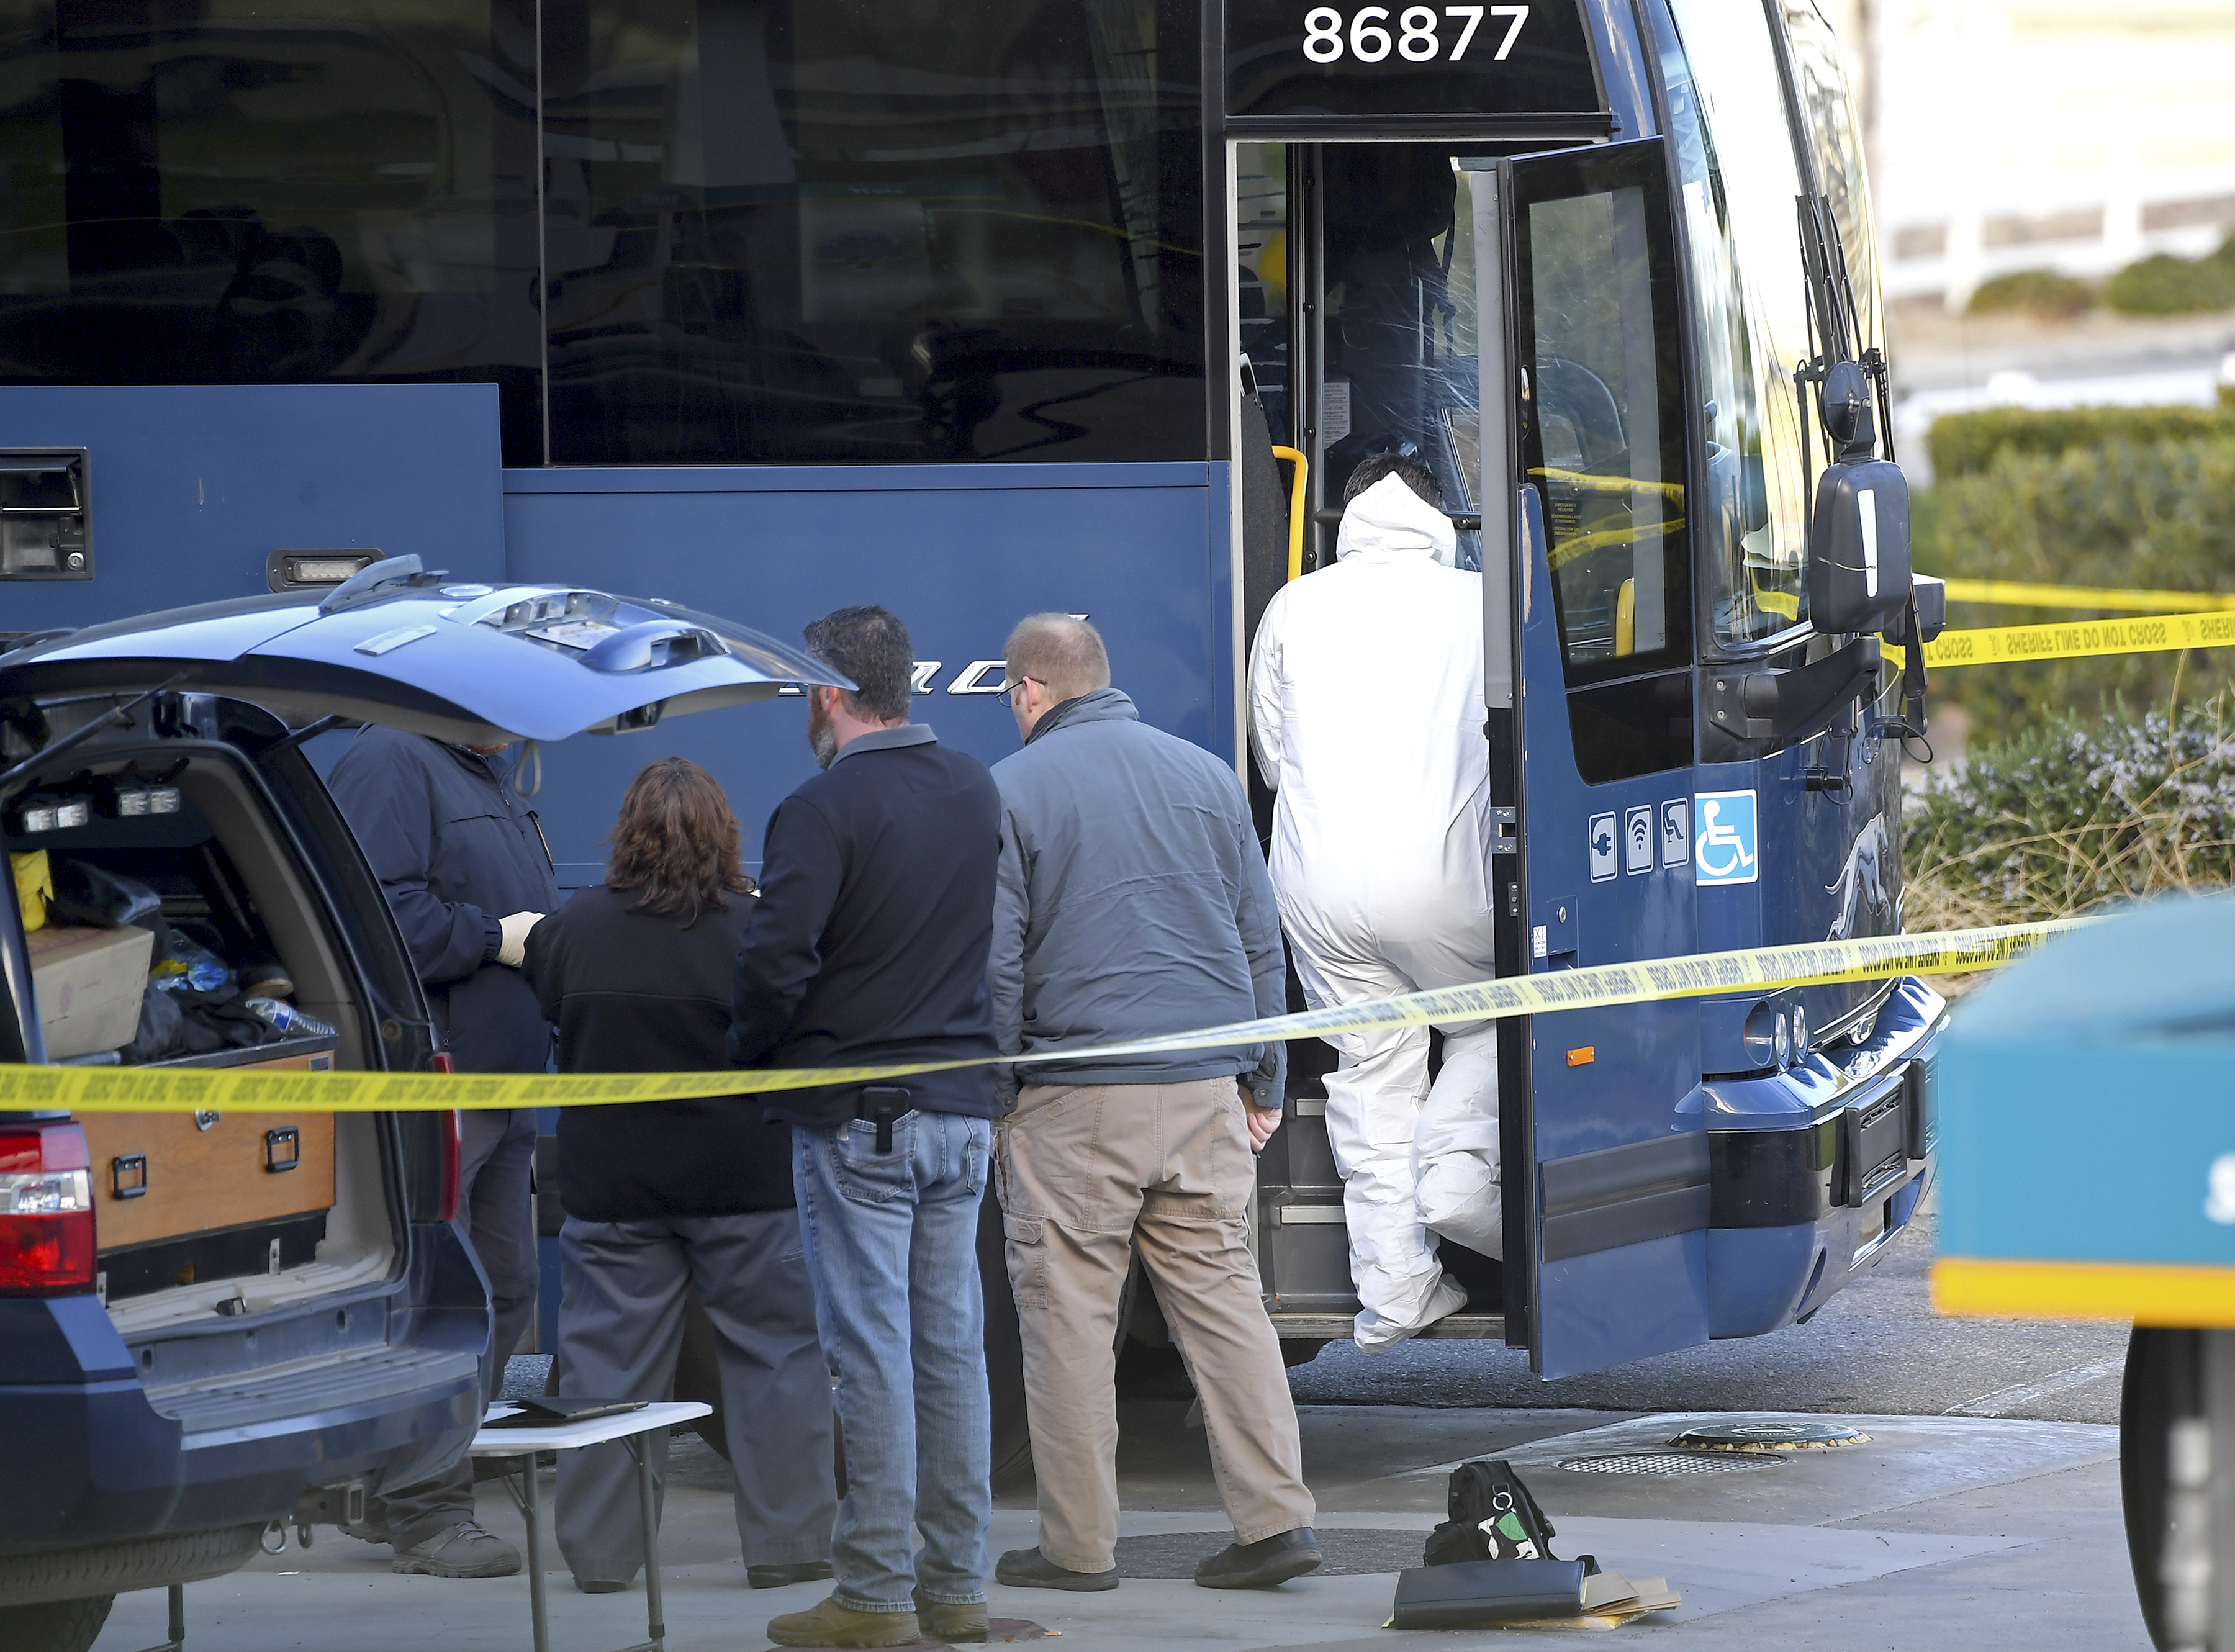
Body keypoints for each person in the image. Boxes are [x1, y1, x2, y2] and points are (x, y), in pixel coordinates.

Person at [986, 615, 1322, 1594]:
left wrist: (999, 1093)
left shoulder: (1009, 790)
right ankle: (1276, 1521)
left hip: (1074, 1099)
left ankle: (1077, 1548)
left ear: (1029, 691)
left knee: (1070, 1322)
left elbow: (996, 964)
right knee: (1226, 1309)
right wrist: (1265, 1078)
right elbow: (1260, 936)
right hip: (1205, 1092)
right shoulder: (1207, 778)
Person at [728, 606, 1003, 1651]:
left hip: (859, 1118)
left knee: (872, 1354)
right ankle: (957, 1586)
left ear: (826, 692)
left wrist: (753, 1056)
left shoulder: (819, 807)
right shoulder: (974, 786)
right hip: (961, 1107)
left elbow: (775, 960)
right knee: (953, 1351)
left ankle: (876, 1593)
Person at [522, 757, 836, 1596]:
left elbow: (550, 1000)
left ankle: (601, 1558)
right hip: (747, 1184)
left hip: (614, 1189)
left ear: (626, 833)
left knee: (607, 1370)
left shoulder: (573, 928)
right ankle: (790, 1546)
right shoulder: (755, 930)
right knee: (776, 1359)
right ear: (723, 835)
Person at [1246, 454, 1502, 1352]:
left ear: (1348, 517)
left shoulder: (1294, 606)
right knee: (1489, 1021)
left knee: (1371, 1069)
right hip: (1446, 882)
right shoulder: (1481, 603)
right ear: (1441, 517)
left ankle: (1397, 1289)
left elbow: (1271, 757)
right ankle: (1458, 1187)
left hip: (1316, 886)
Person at [327, 727, 557, 1576]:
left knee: (507, 1287)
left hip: (501, 1084)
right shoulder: (390, 760)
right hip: (441, 1081)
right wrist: (492, 936)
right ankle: (426, 1510)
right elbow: (372, 915)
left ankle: (397, 1483)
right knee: (449, 1297)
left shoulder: (481, 771)